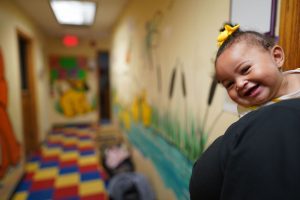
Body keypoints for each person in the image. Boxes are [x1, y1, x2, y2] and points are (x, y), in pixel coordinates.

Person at [189, 23, 300, 200]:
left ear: (277, 57)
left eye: (245, 69)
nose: (240, 84)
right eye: (229, 84)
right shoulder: (250, 113)